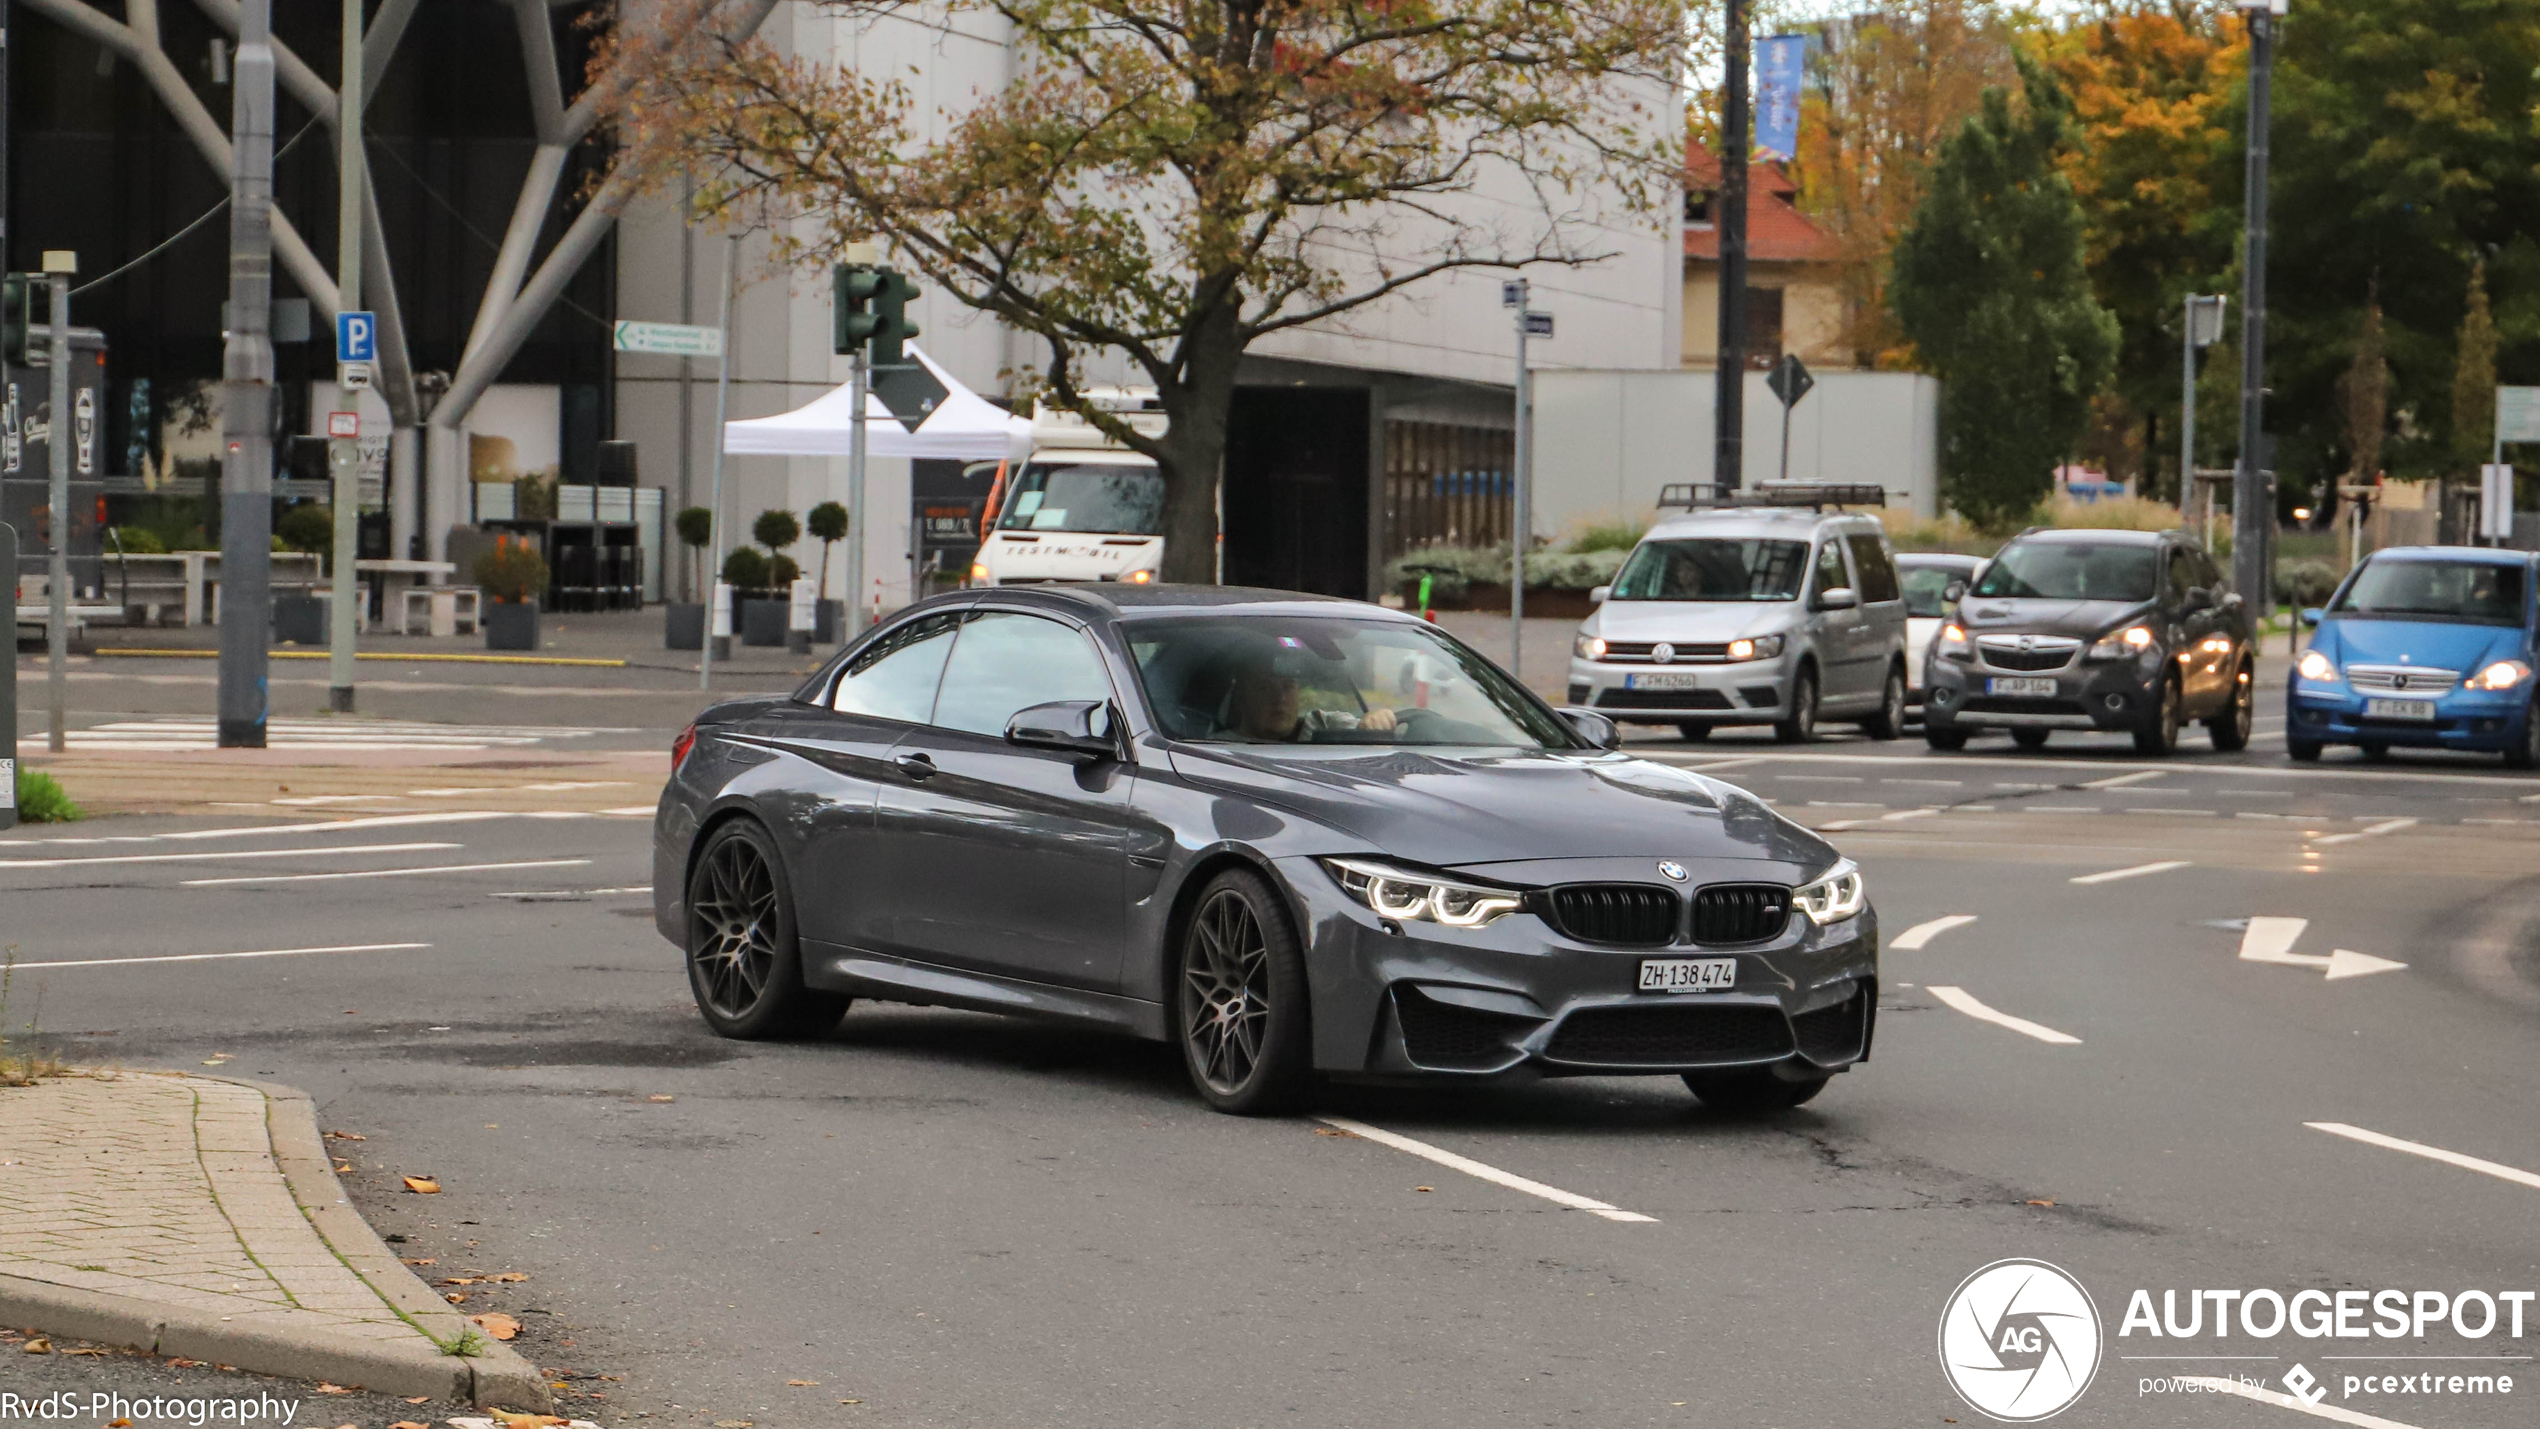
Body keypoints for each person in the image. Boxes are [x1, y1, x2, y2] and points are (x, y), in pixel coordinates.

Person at [1224, 656, 1399, 742]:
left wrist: (1375, 720)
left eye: (1288, 686)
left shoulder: (1324, 724)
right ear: (1241, 696)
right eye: (1264, 687)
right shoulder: (1218, 748)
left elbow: (1360, 728)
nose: (1280, 698)